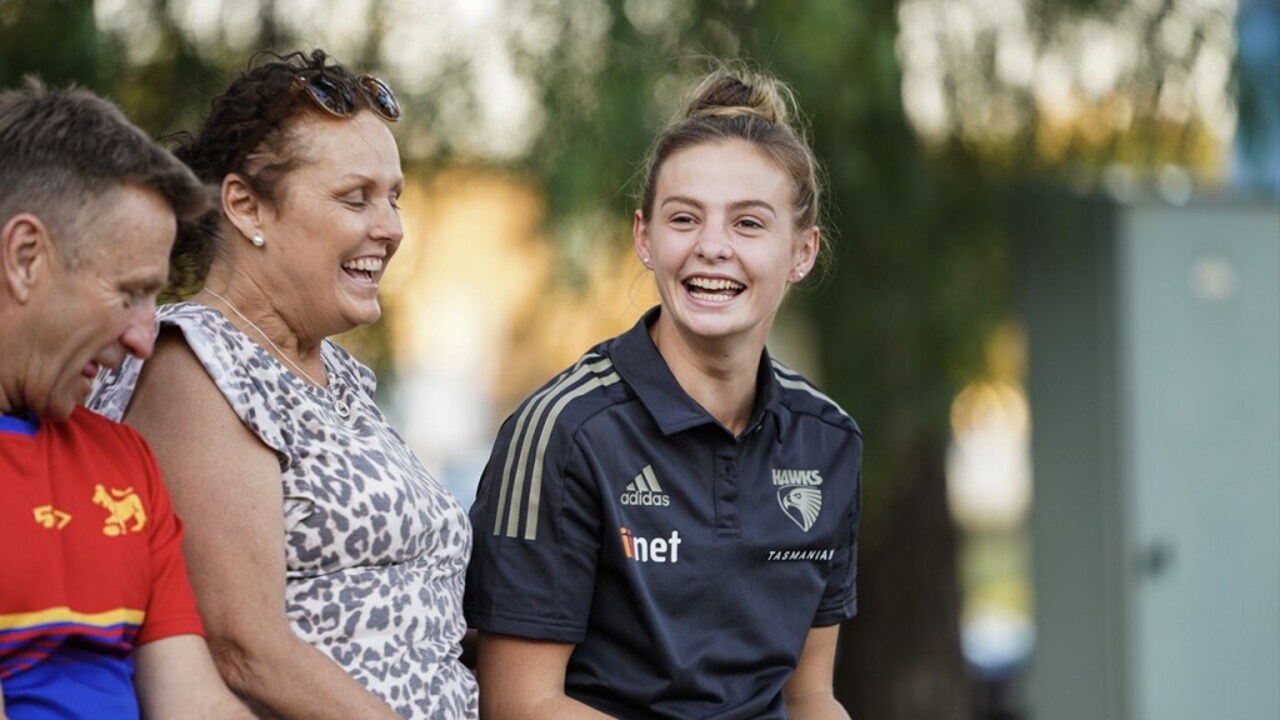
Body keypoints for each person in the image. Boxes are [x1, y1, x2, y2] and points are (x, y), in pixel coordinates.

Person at [87, 50, 477, 719]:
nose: (390, 228)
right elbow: (242, 647)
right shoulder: (196, 362)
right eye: (355, 198)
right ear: (246, 206)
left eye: (393, 198)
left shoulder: (340, 374)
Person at [466, 67, 863, 719]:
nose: (712, 248)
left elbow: (810, 695)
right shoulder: (564, 432)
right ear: (645, 238)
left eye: (748, 224)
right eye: (685, 219)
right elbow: (518, 704)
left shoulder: (829, 440)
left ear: (803, 251)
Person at [0, 81, 251, 719]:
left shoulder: (124, 460)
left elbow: (193, 702)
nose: (145, 339)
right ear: (26, 256)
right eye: (129, 293)